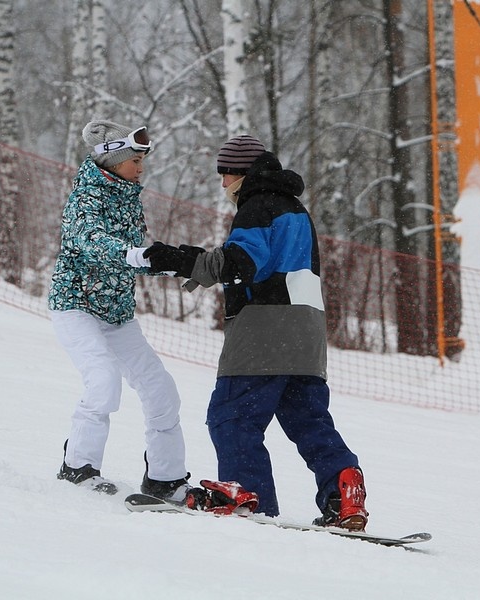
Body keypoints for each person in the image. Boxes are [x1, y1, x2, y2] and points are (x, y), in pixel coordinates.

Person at [142, 134, 369, 530]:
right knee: (308, 420)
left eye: (225, 174)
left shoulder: (257, 206)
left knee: (232, 416)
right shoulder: (295, 209)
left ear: (241, 173)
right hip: (307, 332)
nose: (222, 184)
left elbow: (239, 264)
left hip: (265, 328)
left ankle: (244, 492)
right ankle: (343, 489)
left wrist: (180, 260)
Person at [48, 119, 193, 502]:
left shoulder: (127, 195)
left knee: (161, 391)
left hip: (117, 312)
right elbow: (89, 240)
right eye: (135, 160)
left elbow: (130, 257)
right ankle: (78, 468)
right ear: (112, 159)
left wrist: (168, 261)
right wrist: (136, 254)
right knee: (103, 380)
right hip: (75, 305)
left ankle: (166, 479)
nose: (141, 167)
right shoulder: (86, 196)